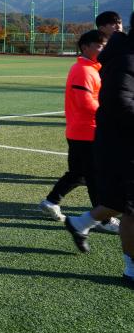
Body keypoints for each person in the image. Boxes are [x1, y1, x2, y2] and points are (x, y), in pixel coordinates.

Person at [64, 13, 133, 285]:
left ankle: (80, 223)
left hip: (105, 135)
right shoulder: (118, 61)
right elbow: (116, 103)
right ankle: (131, 269)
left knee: (117, 200)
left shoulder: (114, 59)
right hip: (103, 137)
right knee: (125, 203)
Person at [38, 30, 118, 232]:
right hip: (86, 131)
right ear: (86, 47)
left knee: (80, 174)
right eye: (100, 45)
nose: (103, 48)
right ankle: (104, 220)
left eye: (105, 45)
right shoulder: (83, 70)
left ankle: (51, 201)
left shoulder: (92, 68)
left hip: (83, 130)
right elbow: (85, 103)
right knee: (94, 177)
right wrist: (110, 111)